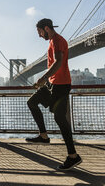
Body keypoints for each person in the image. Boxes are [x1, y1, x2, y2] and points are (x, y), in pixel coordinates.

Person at [26, 18, 82, 171]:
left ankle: (73, 156)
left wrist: (43, 78)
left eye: (39, 32)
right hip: (52, 83)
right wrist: (46, 81)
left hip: (61, 85)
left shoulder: (57, 40)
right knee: (31, 102)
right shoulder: (52, 41)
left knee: (59, 118)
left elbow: (58, 62)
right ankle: (43, 136)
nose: (39, 35)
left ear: (46, 28)